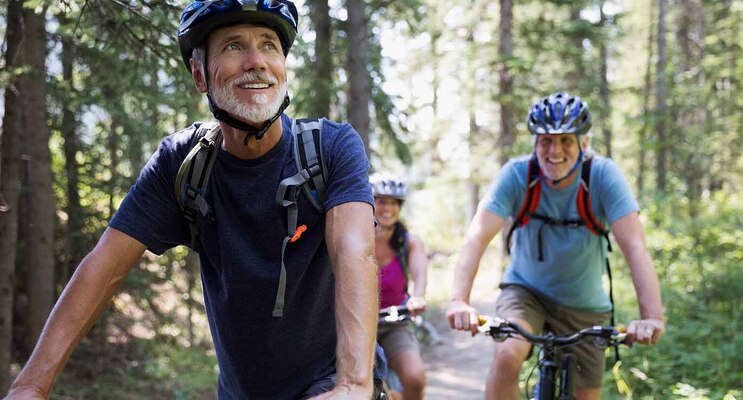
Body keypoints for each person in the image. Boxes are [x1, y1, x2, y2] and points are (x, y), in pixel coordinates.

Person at [5, 1, 383, 399]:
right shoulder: (182, 164)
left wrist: (353, 385)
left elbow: (355, 252)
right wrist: (30, 386)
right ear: (199, 74)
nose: (256, 61)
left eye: (269, 45)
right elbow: (103, 266)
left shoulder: (331, 147)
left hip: (332, 381)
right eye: (234, 46)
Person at [445, 92, 665, 400]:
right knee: (508, 354)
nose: (554, 150)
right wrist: (458, 300)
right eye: (545, 141)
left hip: (585, 304)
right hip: (526, 293)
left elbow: (635, 248)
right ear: (534, 143)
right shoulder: (517, 174)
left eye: (566, 141)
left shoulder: (602, 176)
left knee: (586, 395)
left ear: (583, 144)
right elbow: (477, 236)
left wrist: (651, 316)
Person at [370, 174, 428, 400]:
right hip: (360, 324)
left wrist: (418, 296)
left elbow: (420, 273)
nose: (388, 208)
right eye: (381, 200)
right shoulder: (355, 236)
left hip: (396, 321)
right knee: (378, 389)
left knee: (415, 378)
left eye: (394, 202)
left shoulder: (408, 242)